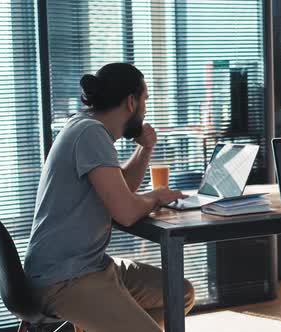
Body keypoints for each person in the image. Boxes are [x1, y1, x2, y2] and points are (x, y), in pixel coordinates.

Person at [24, 63, 195, 332]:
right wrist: (157, 196)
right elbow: (126, 211)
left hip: (91, 267)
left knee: (180, 292)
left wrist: (146, 149)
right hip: (65, 279)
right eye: (145, 100)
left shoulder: (83, 126)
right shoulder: (91, 134)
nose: (146, 108)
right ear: (131, 102)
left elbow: (121, 188)